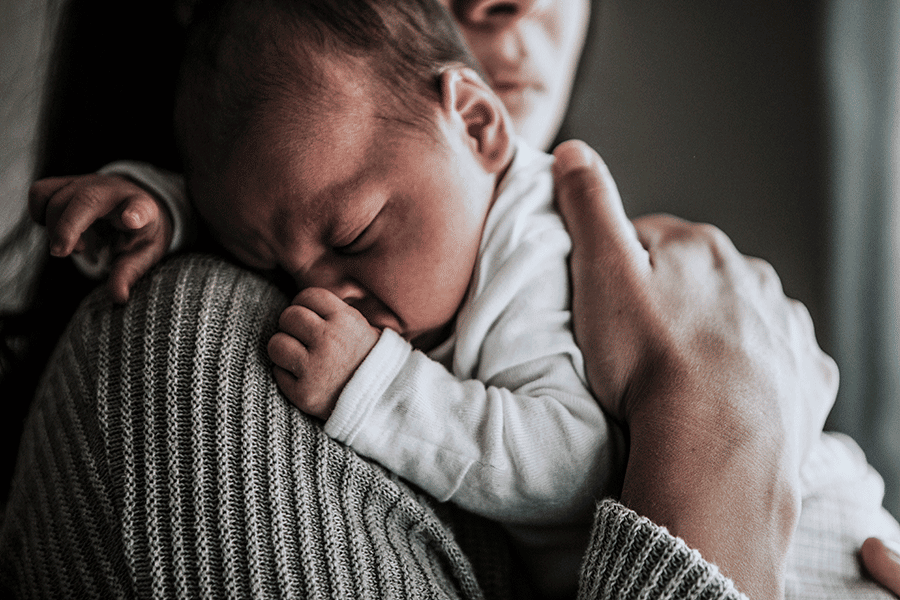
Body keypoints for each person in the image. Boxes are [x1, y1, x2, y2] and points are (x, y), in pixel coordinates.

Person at [1, 0, 899, 598]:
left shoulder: (534, 256)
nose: (320, 296)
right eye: (270, 266)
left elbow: (571, 465)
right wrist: (158, 203)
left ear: (474, 122)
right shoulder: (191, 342)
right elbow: (289, 197)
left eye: (352, 241)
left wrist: (381, 391)